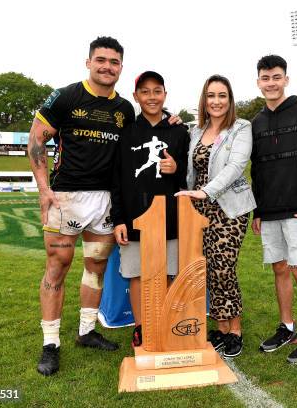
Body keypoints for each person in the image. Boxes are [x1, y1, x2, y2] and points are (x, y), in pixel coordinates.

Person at [28, 37, 136, 376]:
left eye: (114, 61)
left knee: (96, 267)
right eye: (101, 60)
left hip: (105, 199)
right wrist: (44, 189)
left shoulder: (124, 110)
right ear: (88, 62)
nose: (107, 66)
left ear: (121, 66)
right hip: (67, 197)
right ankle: (50, 343)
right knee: (58, 265)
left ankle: (87, 332)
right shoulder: (66, 95)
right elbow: (36, 139)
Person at [251, 55, 297, 364]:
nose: (271, 83)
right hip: (268, 211)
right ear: (258, 82)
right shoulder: (256, 122)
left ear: (286, 79)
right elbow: (256, 169)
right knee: (279, 268)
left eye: (276, 77)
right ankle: (288, 327)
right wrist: (257, 210)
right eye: (266, 78)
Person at [176, 75, 255, 358]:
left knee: (224, 267)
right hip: (200, 209)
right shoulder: (196, 130)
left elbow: (236, 166)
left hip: (229, 207)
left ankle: (235, 330)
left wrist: (206, 192)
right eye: (211, 95)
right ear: (204, 100)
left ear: (230, 100)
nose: (216, 101)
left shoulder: (241, 128)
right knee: (209, 268)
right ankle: (221, 328)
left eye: (222, 95)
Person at [110, 71, 189, 348]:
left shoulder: (180, 131)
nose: (152, 97)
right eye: (145, 91)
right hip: (134, 218)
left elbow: (188, 181)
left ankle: (164, 323)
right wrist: (118, 219)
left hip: (169, 217)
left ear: (165, 94)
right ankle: (142, 327)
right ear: (136, 96)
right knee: (137, 274)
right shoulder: (127, 131)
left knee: (168, 274)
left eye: (157, 91)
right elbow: (117, 179)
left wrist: (176, 169)